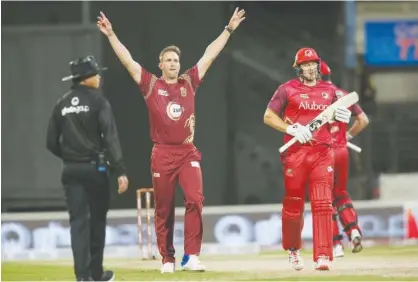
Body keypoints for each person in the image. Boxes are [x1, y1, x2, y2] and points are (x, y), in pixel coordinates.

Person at [96, 8, 245, 273]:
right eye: (169, 60)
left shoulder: (190, 81)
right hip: (162, 154)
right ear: (160, 64)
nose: (174, 63)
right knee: (163, 209)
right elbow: (128, 60)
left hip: (187, 152)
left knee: (195, 199)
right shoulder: (151, 85)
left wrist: (229, 29)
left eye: (176, 59)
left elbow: (210, 53)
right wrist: (111, 35)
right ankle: (167, 259)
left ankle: (192, 256)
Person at [263, 48, 352, 271]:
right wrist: (290, 128)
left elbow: (335, 119)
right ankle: (293, 250)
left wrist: (343, 117)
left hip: (322, 152)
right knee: (294, 204)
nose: (311, 68)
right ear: (298, 67)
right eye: (306, 64)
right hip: (295, 154)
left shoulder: (330, 90)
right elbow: (268, 117)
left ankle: (323, 254)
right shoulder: (287, 89)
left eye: (314, 63)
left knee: (323, 203)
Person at [46, 55, 129, 281]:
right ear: (86, 78)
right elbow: (110, 137)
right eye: (95, 74)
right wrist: (119, 169)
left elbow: (50, 142)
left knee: (78, 223)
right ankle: (95, 273)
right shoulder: (99, 101)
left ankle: (82, 277)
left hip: (71, 171)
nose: (99, 77)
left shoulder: (61, 103)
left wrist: (71, 157)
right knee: (97, 221)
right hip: (95, 170)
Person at [320, 61, 369, 258]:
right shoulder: (343, 94)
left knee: (325, 198)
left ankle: (336, 244)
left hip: (324, 152)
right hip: (341, 151)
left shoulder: (313, 97)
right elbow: (363, 120)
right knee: (340, 193)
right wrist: (346, 136)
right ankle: (354, 231)